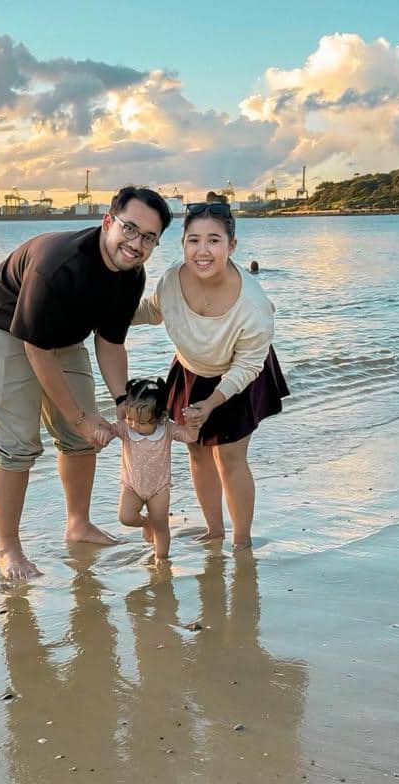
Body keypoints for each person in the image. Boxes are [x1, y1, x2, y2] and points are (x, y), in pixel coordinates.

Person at [0, 185, 172, 580]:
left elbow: (110, 342)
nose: (136, 244)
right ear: (108, 222)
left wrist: (121, 402)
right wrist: (79, 417)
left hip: (62, 335)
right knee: (16, 443)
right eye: (130, 229)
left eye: (149, 238)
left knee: (83, 438)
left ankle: (78, 524)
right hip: (3, 327)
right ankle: (8, 547)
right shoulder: (58, 265)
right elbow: (36, 350)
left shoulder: (132, 276)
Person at [133, 199, 288, 550]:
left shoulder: (254, 305)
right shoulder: (172, 279)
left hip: (238, 375)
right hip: (191, 370)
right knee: (197, 451)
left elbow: (248, 366)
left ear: (231, 246)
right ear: (182, 243)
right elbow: (153, 310)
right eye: (194, 240)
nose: (202, 251)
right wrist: (104, 314)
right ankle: (214, 530)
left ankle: (241, 540)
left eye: (213, 240)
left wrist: (213, 402)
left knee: (229, 457)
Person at [109, 376, 201, 560]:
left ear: (160, 417)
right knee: (126, 517)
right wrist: (100, 433)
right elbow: (107, 430)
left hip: (159, 488)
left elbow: (190, 437)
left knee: (161, 525)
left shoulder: (167, 430)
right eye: (130, 418)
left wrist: (193, 424)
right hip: (131, 486)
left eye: (142, 422)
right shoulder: (125, 429)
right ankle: (146, 523)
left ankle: (161, 558)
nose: (134, 425)